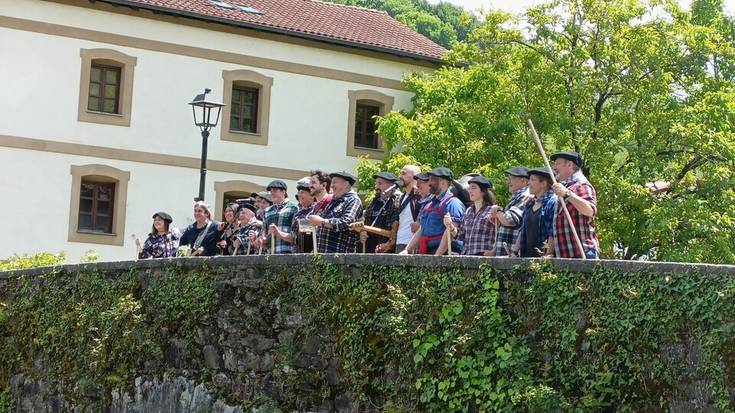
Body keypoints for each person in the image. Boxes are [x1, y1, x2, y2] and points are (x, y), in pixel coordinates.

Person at [400, 167, 465, 255]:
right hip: (427, 251)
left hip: (443, 254)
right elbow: (421, 229)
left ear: (443, 183)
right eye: (429, 179)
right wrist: (407, 249)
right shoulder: (429, 204)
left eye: (433, 180)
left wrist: (436, 256)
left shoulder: (452, 203)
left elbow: (450, 233)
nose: (429, 183)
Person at [549, 151, 600, 259]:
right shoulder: (564, 187)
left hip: (582, 253)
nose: (554, 167)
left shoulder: (581, 185)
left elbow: (590, 210)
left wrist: (567, 194)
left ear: (569, 165)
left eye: (558, 163)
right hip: (566, 255)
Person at [308, 171, 363, 253]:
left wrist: (321, 221)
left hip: (340, 258)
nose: (331, 185)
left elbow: (346, 223)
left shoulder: (353, 200)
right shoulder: (333, 200)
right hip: (323, 255)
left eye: (335, 182)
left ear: (345, 184)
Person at [441, 175, 496, 255]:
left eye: (473, 188)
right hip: (468, 257)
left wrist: (493, 252)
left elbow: (500, 236)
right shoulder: (468, 211)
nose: (470, 191)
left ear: (483, 191)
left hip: (484, 257)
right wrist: (450, 226)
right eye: (469, 188)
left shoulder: (493, 211)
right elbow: (461, 236)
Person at [514, 168, 558, 257]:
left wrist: (548, 255)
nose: (528, 183)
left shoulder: (553, 202)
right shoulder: (530, 203)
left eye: (532, 179)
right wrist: (514, 252)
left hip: (543, 257)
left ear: (543, 183)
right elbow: (522, 230)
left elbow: (552, 232)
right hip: (526, 256)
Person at [356, 172, 401, 253]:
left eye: (380, 184)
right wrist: (362, 232)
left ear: (392, 186)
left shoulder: (398, 201)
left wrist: (389, 243)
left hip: (387, 251)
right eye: (376, 184)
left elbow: (397, 229)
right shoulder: (373, 203)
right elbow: (364, 222)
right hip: (369, 249)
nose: (376, 187)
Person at [489, 167, 530, 256]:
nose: (508, 182)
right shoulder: (516, 197)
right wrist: (498, 218)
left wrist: (498, 211)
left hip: (513, 253)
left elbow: (509, 220)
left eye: (512, 179)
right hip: (507, 252)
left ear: (524, 181)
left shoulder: (524, 196)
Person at [269, 178, 315, 253]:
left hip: (311, 256)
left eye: (302, 192)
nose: (299, 195)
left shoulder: (315, 210)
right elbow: (294, 237)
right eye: (298, 192)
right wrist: (278, 233)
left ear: (312, 195)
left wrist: (279, 233)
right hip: (296, 255)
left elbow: (308, 237)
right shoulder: (298, 214)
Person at [259, 180, 299, 254]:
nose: (272, 193)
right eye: (271, 191)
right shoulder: (267, 211)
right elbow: (264, 233)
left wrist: (279, 233)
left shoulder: (294, 208)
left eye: (275, 190)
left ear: (283, 192)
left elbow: (297, 237)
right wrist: (263, 241)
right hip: (270, 256)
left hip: (289, 254)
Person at [394, 165, 422, 253]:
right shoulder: (401, 197)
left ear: (415, 176)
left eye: (403, 173)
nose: (400, 176)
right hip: (399, 242)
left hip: (413, 244)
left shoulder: (420, 197)